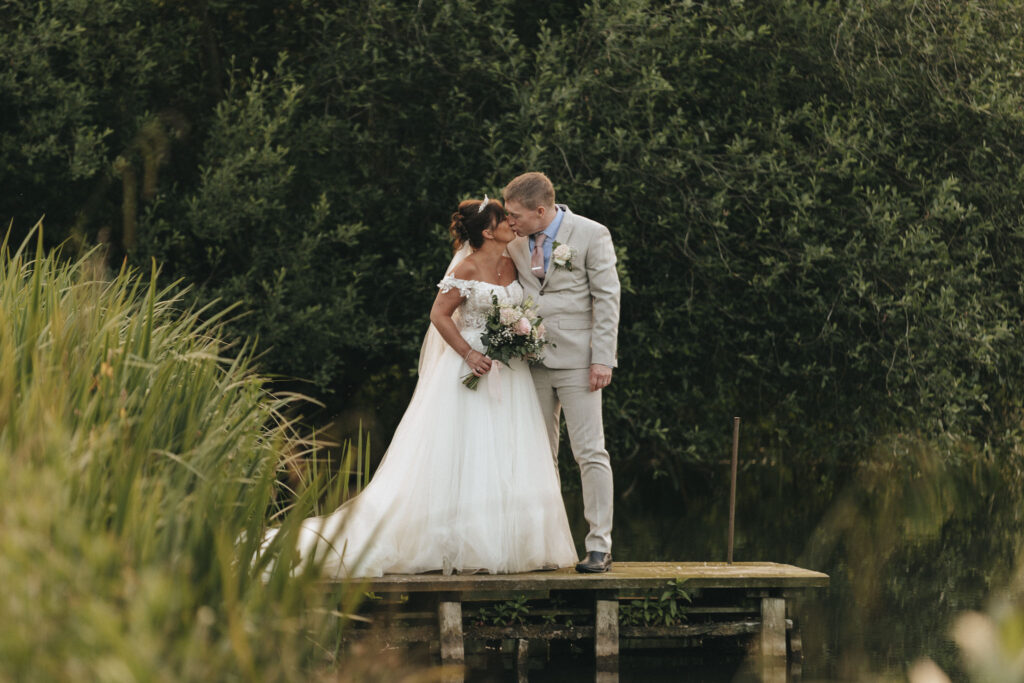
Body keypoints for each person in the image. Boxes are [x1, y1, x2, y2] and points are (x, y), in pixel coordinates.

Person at [261, 197, 577, 577]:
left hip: (510, 372)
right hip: (470, 368)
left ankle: (517, 541)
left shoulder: (514, 263)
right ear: (487, 231)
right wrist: (467, 354)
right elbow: (439, 315)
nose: (511, 222)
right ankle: (458, 541)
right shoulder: (467, 267)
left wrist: (521, 336)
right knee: (466, 449)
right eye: (503, 219)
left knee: (510, 448)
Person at [503, 172, 620, 574]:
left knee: (590, 452)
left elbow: (607, 297)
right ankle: (544, 545)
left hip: (579, 361)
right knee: (538, 455)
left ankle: (599, 546)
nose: (510, 221)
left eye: (516, 214)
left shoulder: (591, 234)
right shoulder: (514, 242)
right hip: (530, 361)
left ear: (541, 211)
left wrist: (603, 358)